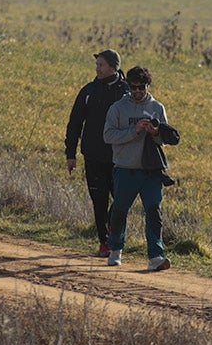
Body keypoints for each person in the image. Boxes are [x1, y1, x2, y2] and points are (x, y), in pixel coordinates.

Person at [103, 65, 172, 271]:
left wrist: (153, 132)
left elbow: (165, 139)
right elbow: (108, 136)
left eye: (141, 87)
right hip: (125, 169)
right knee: (120, 211)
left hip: (151, 171)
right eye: (133, 87)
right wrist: (134, 131)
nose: (137, 91)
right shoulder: (117, 108)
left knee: (153, 212)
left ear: (147, 86)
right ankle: (115, 249)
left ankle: (156, 256)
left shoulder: (157, 107)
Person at [65, 49, 130, 257]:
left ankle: (114, 233)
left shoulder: (127, 92)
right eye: (97, 65)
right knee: (99, 200)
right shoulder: (88, 91)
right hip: (92, 155)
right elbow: (74, 123)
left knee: (122, 199)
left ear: (113, 67)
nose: (97, 69)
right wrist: (70, 154)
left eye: (101, 65)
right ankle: (105, 243)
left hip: (119, 158)